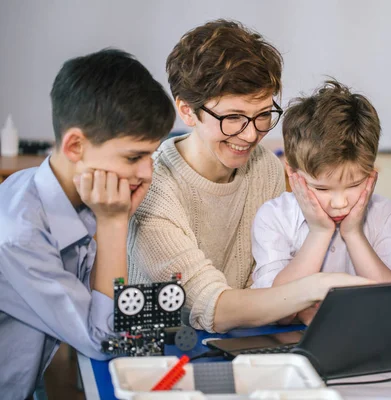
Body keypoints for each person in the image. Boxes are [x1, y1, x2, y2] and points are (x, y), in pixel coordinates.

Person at [127, 20, 370, 334]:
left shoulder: (265, 165)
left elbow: (267, 278)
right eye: (233, 118)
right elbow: (208, 304)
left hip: (242, 336)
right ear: (187, 111)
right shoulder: (153, 186)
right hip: (163, 348)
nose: (251, 134)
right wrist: (313, 288)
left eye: (263, 115)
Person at [0, 49, 175, 399]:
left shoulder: (77, 196)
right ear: (76, 145)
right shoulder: (19, 234)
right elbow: (105, 341)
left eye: (151, 156)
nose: (146, 173)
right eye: (133, 157)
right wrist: (113, 224)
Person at [251, 80, 391, 324]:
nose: (339, 202)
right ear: (293, 174)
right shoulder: (273, 217)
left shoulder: (384, 213)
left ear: (371, 174)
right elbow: (275, 311)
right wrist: (320, 232)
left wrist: (354, 233)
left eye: (355, 185)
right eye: (322, 188)